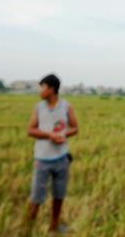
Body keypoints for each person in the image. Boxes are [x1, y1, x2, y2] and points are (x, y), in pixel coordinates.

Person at [26, 74, 79, 234]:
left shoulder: (66, 106)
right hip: (42, 160)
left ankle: (54, 226)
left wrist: (63, 134)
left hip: (61, 159)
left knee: (59, 196)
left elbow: (75, 128)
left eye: (42, 87)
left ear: (52, 89)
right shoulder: (39, 108)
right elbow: (30, 130)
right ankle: (29, 227)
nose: (40, 91)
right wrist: (50, 135)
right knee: (36, 196)